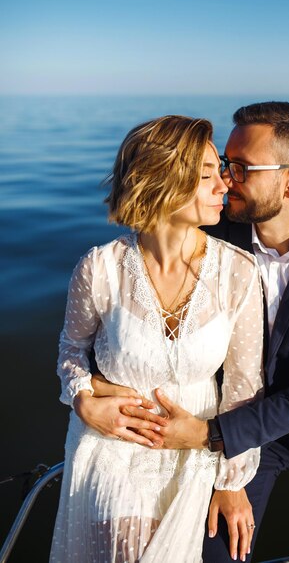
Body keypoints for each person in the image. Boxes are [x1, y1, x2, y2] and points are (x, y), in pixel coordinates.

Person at [86, 102, 289, 563]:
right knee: (214, 556)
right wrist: (227, 472)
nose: (225, 180)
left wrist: (208, 436)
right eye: (223, 164)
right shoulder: (213, 229)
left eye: (240, 168)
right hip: (230, 432)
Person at [50, 115, 264, 563]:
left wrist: (232, 481)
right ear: (162, 180)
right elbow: (71, 351)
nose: (224, 184)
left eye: (219, 170)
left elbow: (244, 387)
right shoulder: (99, 270)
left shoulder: (239, 272)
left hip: (196, 450)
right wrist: (84, 399)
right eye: (207, 174)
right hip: (112, 449)